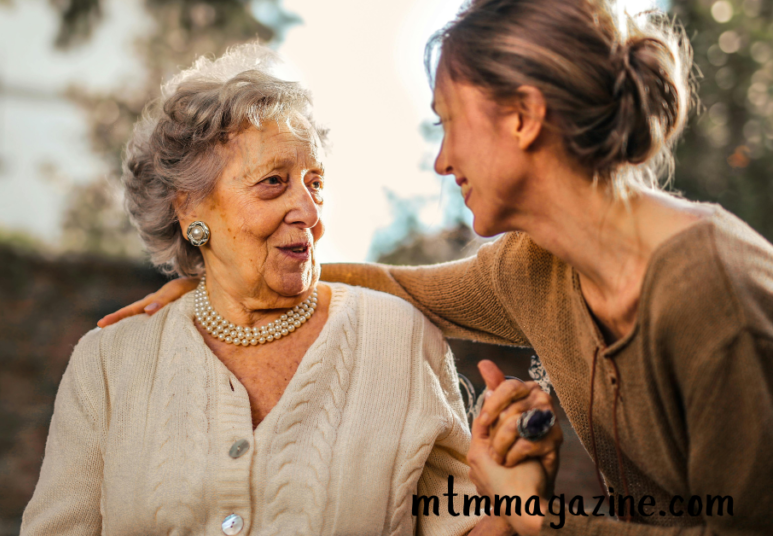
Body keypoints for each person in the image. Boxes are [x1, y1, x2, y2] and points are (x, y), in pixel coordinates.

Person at [97, 1, 773, 535]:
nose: (442, 161)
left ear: (523, 117)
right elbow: (396, 286)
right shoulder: (535, 268)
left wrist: (538, 522)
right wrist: (222, 270)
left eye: (448, 122)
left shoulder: (712, 294)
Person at [20, 44, 537, 535]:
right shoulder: (109, 363)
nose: (310, 214)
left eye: (315, 182)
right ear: (190, 209)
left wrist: (517, 504)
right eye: (273, 182)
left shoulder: (399, 338)